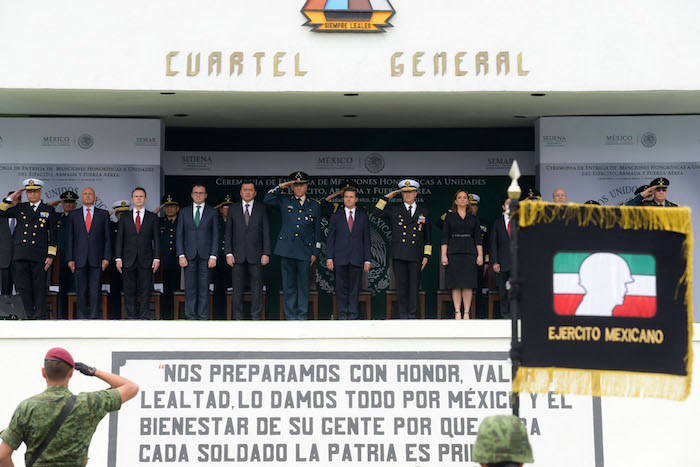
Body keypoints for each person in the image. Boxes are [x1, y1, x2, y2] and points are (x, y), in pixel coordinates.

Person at [0, 347, 139, 467]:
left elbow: (2, 456)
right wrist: (94, 371)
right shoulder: (89, 403)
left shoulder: (26, 407)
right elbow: (131, 387)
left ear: (43, 372)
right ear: (71, 373)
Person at [264, 171, 321, 320]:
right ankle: (290, 316)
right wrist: (283, 186)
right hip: (287, 249)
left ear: (306, 186)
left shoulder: (314, 205)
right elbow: (267, 199)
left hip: (305, 250)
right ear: (291, 187)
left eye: (301, 185)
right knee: (289, 286)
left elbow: (317, 231)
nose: (298, 188)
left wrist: (315, 251)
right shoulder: (284, 200)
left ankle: (301, 316)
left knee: (303, 286)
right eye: (295, 185)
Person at [373, 179, 431, 319]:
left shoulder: (424, 211)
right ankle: (403, 315)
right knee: (402, 285)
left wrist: (426, 256)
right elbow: (376, 212)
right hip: (399, 253)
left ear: (416, 193)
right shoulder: (394, 209)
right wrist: (388, 197)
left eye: (410, 192)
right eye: (404, 192)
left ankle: (412, 315)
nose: (408, 195)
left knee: (414, 286)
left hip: (416, 254)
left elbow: (427, 236)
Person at [0, 179, 58, 319]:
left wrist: (50, 256)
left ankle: (39, 315)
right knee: (23, 287)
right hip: (21, 254)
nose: (32, 194)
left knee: (38, 287)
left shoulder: (48, 210)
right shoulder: (20, 207)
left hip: (39, 254)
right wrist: (11, 198)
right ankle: (26, 315)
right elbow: (1, 213)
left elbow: (53, 235)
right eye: (29, 192)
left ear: (40, 192)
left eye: (35, 191)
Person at [64, 187, 112, 319]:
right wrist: (70, 259)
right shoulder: (74, 214)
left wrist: (106, 258)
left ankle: (94, 317)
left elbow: (107, 238)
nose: (87, 195)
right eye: (85, 194)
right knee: (81, 290)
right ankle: (82, 317)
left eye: (90, 194)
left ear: (95, 197)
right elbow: (70, 238)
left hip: (97, 258)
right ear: (81, 197)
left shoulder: (103, 214)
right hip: (79, 259)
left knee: (95, 290)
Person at [226, 182, 271, 320]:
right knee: (237, 288)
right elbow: (228, 233)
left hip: (256, 255)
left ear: (255, 193)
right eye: (245, 190)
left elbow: (266, 232)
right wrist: (228, 253)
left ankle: (256, 316)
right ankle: (238, 316)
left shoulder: (261, 208)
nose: (247, 192)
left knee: (257, 288)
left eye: (250, 190)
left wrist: (266, 253)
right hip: (237, 255)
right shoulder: (232, 209)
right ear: (240, 192)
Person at [326, 185, 371, 320]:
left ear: (356, 199)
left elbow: (366, 239)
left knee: (354, 288)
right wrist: (329, 257)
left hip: (357, 258)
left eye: (351, 197)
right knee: (341, 289)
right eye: (346, 197)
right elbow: (330, 239)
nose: (348, 199)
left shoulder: (363, 216)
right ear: (343, 199)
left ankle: (352, 315)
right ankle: (342, 315)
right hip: (339, 258)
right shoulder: (335, 216)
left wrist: (367, 259)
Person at [115, 188, 160, 319]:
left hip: (146, 259)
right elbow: (120, 239)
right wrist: (118, 258)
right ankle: (130, 318)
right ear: (132, 199)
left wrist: (156, 258)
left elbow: (156, 240)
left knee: (145, 291)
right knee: (129, 290)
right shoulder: (125, 217)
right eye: (136, 196)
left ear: (145, 199)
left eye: (141, 196)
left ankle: (144, 318)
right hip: (128, 259)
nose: (139, 198)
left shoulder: (152, 217)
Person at [176, 184, 219, 320]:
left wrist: (213, 255)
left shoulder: (212, 212)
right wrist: (181, 254)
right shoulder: (183, 212)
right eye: (196, 192)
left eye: (201, 193)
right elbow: (179, 235)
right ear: (192, 195)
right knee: (190, 288)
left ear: (206, 195)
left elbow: (216, 235)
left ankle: (202, 316)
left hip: (206, 256)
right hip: (188, 256)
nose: (198, 195)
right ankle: (191, 316)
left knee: (204, 288)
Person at [440, 190, 483, 319]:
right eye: (460, 197)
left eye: (465, 197)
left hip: (470, 252)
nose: (463, 199)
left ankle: (466, 312)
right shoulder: (450, 217)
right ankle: (457, 311)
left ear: (468, 201)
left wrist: (480, 255)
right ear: (455, 201)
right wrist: (444, 255)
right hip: (454, 252)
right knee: (456, 284)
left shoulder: (474, 218)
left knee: (468, 284)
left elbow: (478, 238)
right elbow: (444, 238)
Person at [53, 191, 78, 318]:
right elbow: (43, 212)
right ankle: (63, 317)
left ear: (75, 204)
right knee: (62, 290)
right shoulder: (58, 217)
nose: (68, 204)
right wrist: (52, 204)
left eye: (71, 202)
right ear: (62, 204)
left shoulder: (79, 217)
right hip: (61, 260)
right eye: (66, 202)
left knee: (77, 290)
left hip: (77, 260)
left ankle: (76, 317)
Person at [158, 195, 180, 320]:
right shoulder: (160, 221)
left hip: (178, 262)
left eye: (172, 206)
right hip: (163, 262)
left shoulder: (182, 221)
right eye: (167, 206)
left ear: (177, 208)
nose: (170, 209)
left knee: (177, 289)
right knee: (165, 290)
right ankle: (165, 316)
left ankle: (177, 315)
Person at [108, 200, 130, 318]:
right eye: (120, 214)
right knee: (115, 292)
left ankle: (129, 315)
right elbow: (101, 220)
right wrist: (109, 214)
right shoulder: (112, 226)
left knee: (131, 291)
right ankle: (115, 316)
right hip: (114, 265)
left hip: (130, 263)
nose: (123, 216)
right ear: (116, 215)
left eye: (125, 213)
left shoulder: (133, 226)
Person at [491, 198, 513, 318]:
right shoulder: (497, 223)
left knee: (516, 290)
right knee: (503, 291)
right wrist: (495, 262)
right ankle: (505, 315)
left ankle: (515, 315)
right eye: (508, 204)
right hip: (502, 263)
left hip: (517, 264)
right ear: (503, 207)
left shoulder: (520, 222)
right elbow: (493, 244)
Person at [213, 194, 233, 319]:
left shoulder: (238, 222)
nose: (227, 209)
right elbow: (206, 213)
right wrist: (217, 207)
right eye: (224, 206)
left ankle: (232, 317)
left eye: (230, 206)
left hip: (233, 262)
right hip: (219, 261)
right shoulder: (216, 221)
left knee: (233, 291)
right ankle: (218, 317)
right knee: (218, 291)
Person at [0, 192, 18, 296]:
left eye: (14, 200)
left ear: (19, 202)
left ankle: (21, 312)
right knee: (5, 291)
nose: (11, 202)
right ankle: (6, 313)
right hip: (4, 260)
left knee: (22, 290)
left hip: (20, 260)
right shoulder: (1, 217)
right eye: (10, 200)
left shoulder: (23, 218)